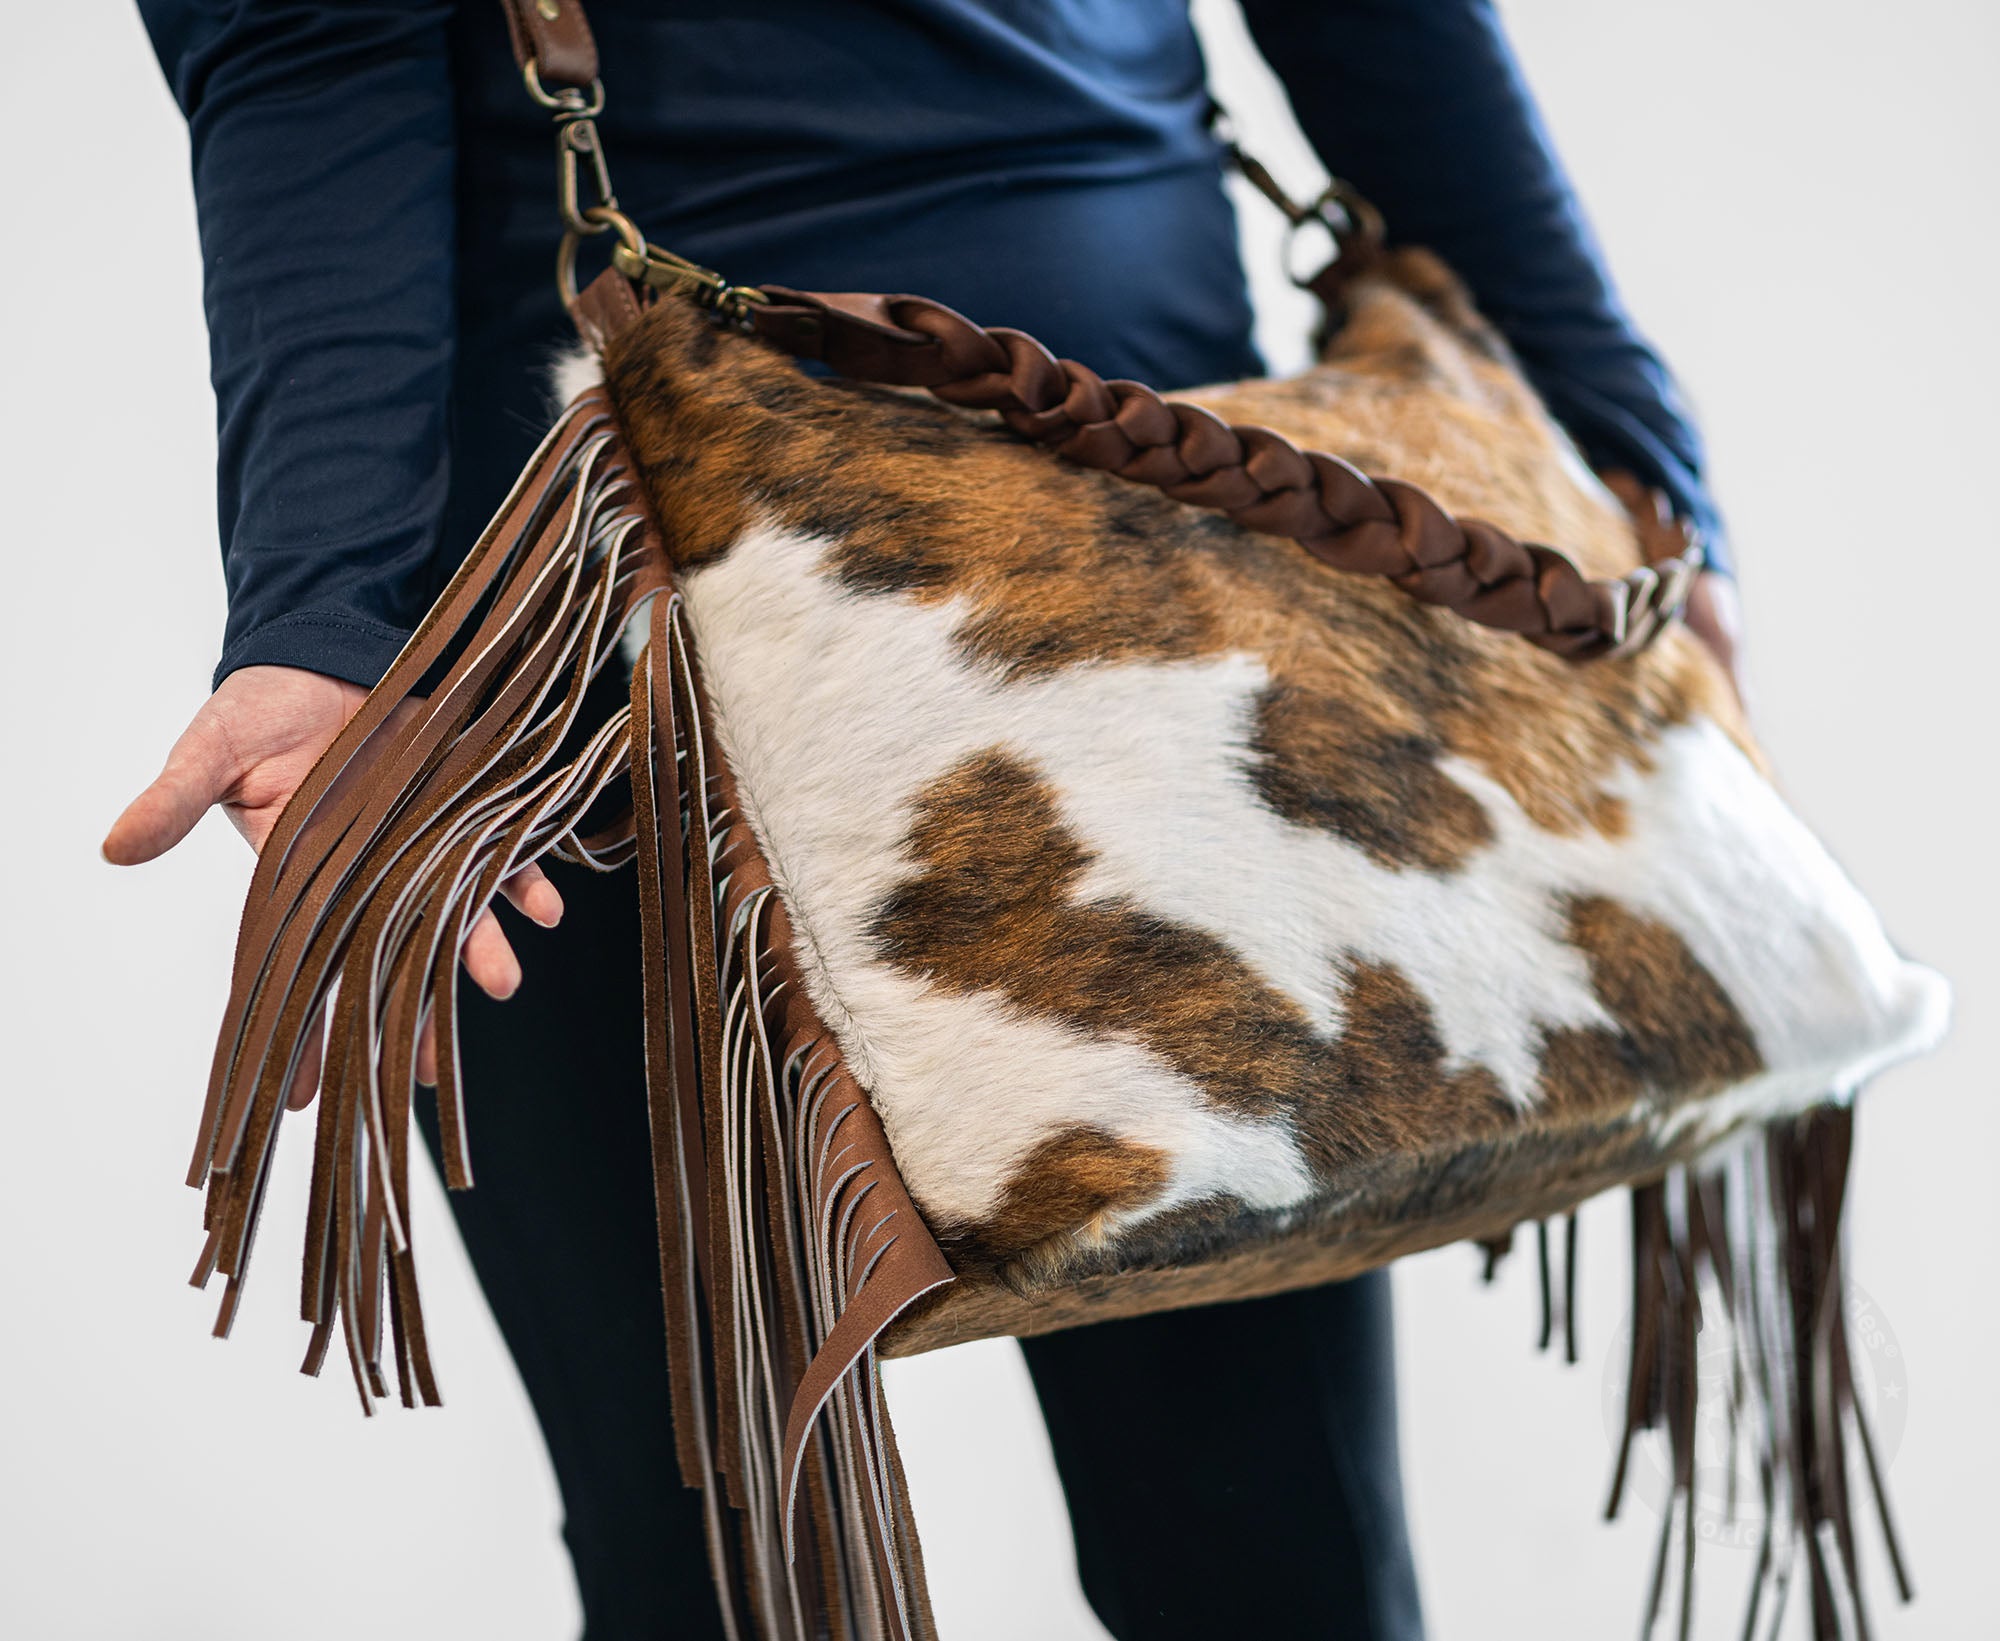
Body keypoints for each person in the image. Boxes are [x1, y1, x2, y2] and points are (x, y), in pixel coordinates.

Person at [110, 4, 1742, 1637]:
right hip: (662, 627)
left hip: (1036, 587)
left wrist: (1616, 432)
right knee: (832, 1547)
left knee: (1175, 1537)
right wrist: (322, 612)